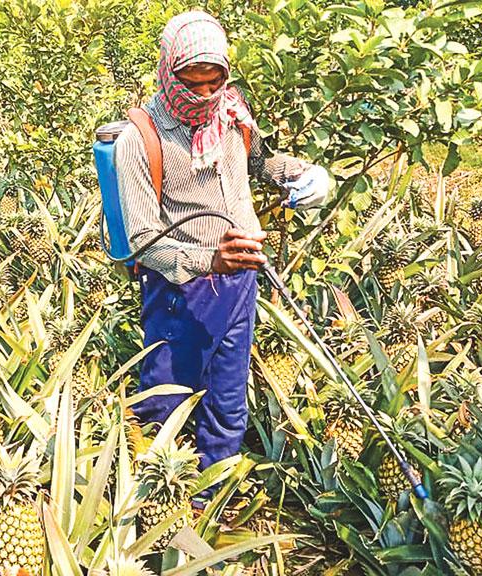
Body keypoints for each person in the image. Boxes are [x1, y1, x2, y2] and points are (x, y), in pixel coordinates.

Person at [116, 12, 331, 505]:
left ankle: (213, 501)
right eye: (193, 85)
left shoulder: (233, 112)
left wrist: (300, 174)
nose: (206, 95)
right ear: (168, 72)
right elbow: (146, 240)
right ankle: (153, 507)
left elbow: (260, 163)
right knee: (166, 401)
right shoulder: (140, 140)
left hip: (241, 279)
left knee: (228, 398)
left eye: (216, 82)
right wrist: (210, 260)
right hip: (179, 291)